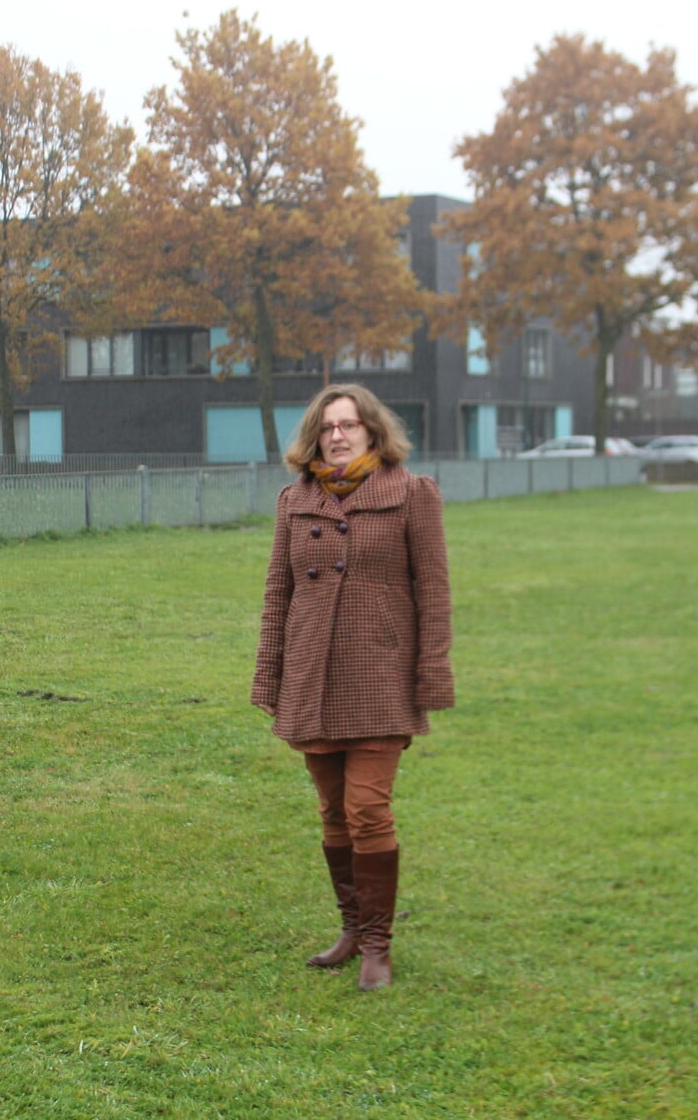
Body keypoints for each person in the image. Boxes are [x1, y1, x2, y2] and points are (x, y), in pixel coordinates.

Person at [251, 383, 454, 991]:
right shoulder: (295, 500)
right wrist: (271, 674)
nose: (338, 436)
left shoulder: (411, 495)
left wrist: (430, 674)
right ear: (315, 437)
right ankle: (350, 929)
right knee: (333, 813)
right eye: (327, 427)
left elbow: (434, 594)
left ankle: (377, 947)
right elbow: (277, 597)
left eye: (350, 425)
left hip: (379, 677)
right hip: (313, 676)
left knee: (367, 810)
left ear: (373, 431)